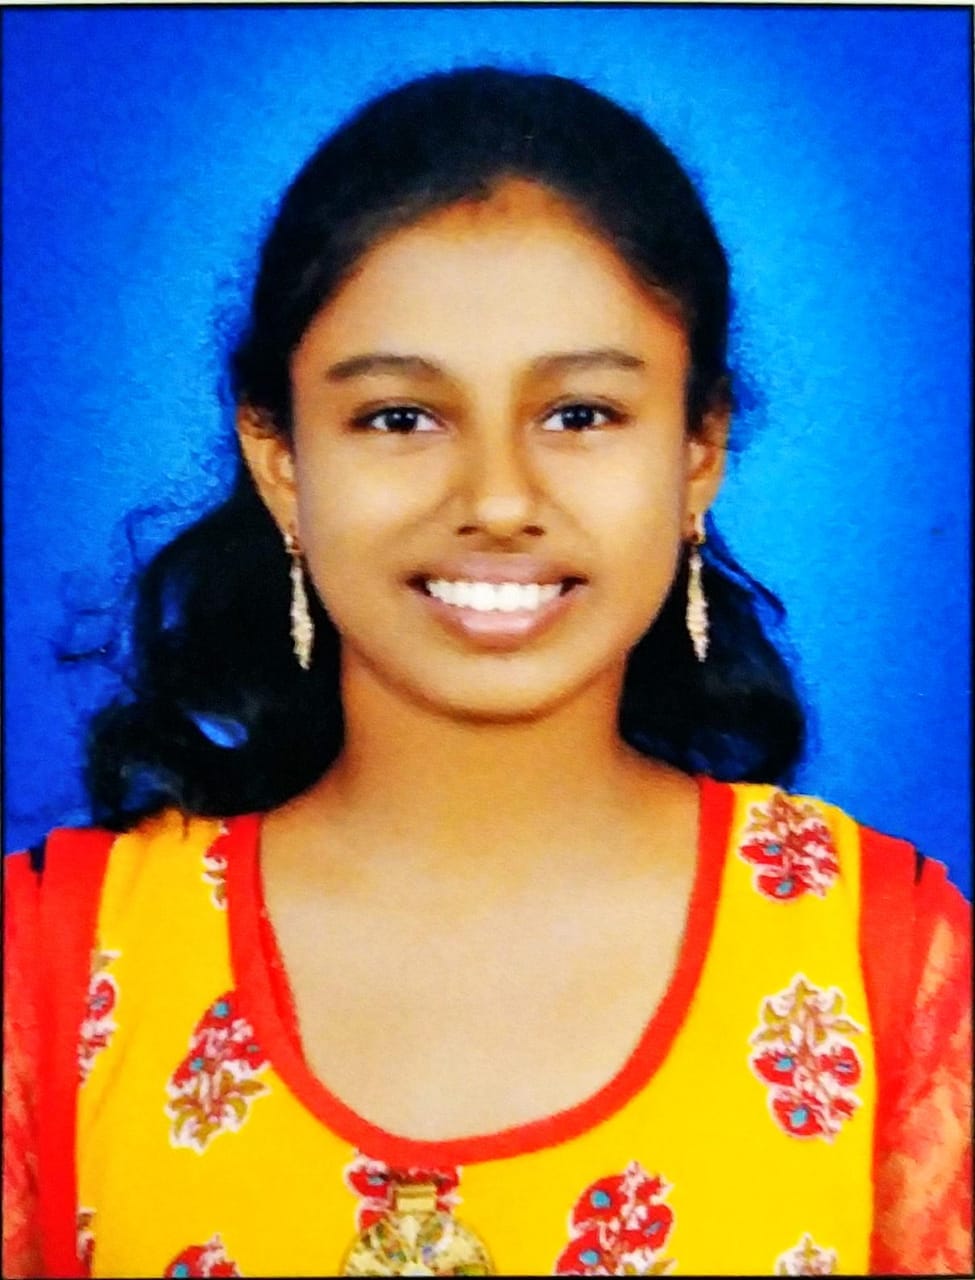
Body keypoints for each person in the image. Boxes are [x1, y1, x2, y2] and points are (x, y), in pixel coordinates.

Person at [3, 67, 969, 1279]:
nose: (500, 500)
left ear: (700, 449)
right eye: (401, 417)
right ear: (279, 453)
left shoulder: (883, 962)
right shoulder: (55, 966)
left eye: (581, 414)